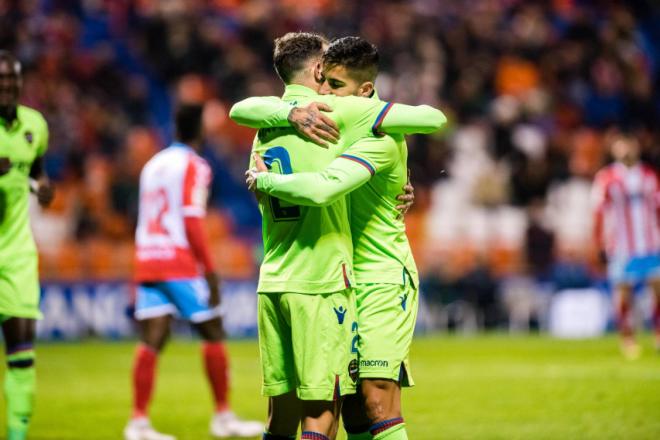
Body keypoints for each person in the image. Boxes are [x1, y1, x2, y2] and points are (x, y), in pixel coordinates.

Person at [230, 32, 444, 440]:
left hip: (380, 275)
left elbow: (434, 119)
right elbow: (244, 108)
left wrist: (267, 181)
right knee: (349, 407)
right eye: (323, 81)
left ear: (364, 91)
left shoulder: (369, 123)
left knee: (375, 397)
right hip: (339, 277)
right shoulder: (318, 119)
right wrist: (292, 113)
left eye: (336, 85)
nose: (327, 93)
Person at [125, 104, 263, 440]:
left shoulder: (153, 164)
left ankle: (138, 422)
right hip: (179, 260)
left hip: (149, 255)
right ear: (200, 131)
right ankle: (223, 416)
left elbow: (143, 216)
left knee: (152, 337)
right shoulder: (195, 165)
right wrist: (210, 270)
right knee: (213, 330)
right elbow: (191, 219)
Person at [0, 50, 54, 440]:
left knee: (22, 354)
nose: (7, 87)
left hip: (17, 252)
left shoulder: (34, 125)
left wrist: (43, 186)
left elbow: (35, 170)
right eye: (2, 82)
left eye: (13, 81)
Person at [592, 133, 660, 359]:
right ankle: (627, 337)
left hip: (651, 243)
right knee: (623, 293)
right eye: (622, 146)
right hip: (622, 245)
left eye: (630, 145)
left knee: (657, 289)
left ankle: (658, 333)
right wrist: (599, 241)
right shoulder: (607, 178)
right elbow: (598, 212)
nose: (627, 150)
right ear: (614, 150)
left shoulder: (649, 175)